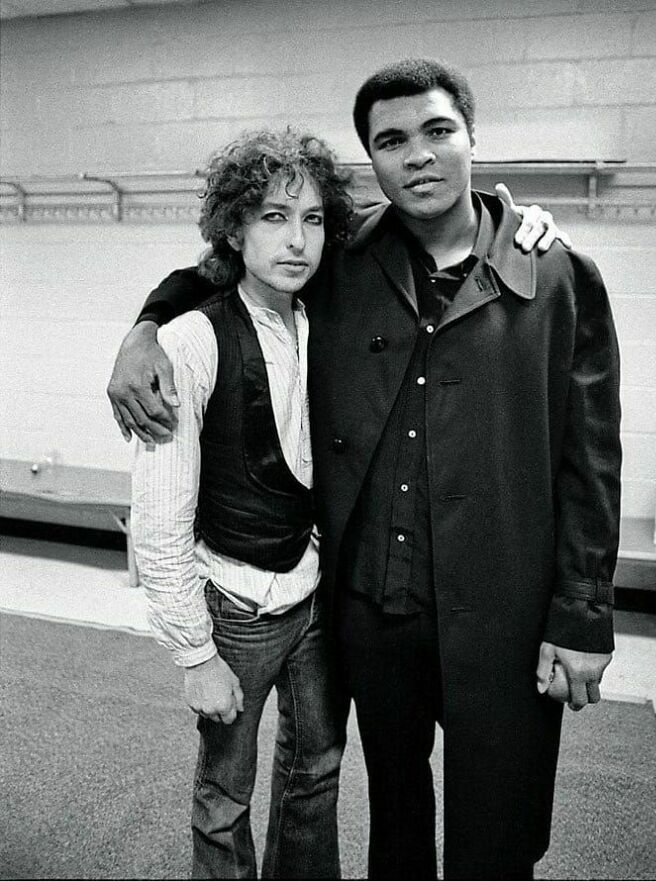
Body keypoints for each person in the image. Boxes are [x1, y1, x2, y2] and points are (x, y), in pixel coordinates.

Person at [109, 59, 620, 880]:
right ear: (372, 160)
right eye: (391, 140)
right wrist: (143, 329)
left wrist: (583, 615)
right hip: (376, 612)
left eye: (438, 130)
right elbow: (223, 268)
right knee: (396, 819)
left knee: (499, 831)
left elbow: (591, 461)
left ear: (472, 138)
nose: (417, 154)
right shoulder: (342, 261)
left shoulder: (556, 274)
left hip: (505, 610)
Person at [130, 130, 353, 879]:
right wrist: (195, 655)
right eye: (274, 217)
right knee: (225, 796)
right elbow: (160, 522)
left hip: (314, 595)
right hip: (233, 606)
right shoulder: (191, 341)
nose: (297, 240)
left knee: (317, 769)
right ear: (234, 228)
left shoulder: (325, 319)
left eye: (312, 219)